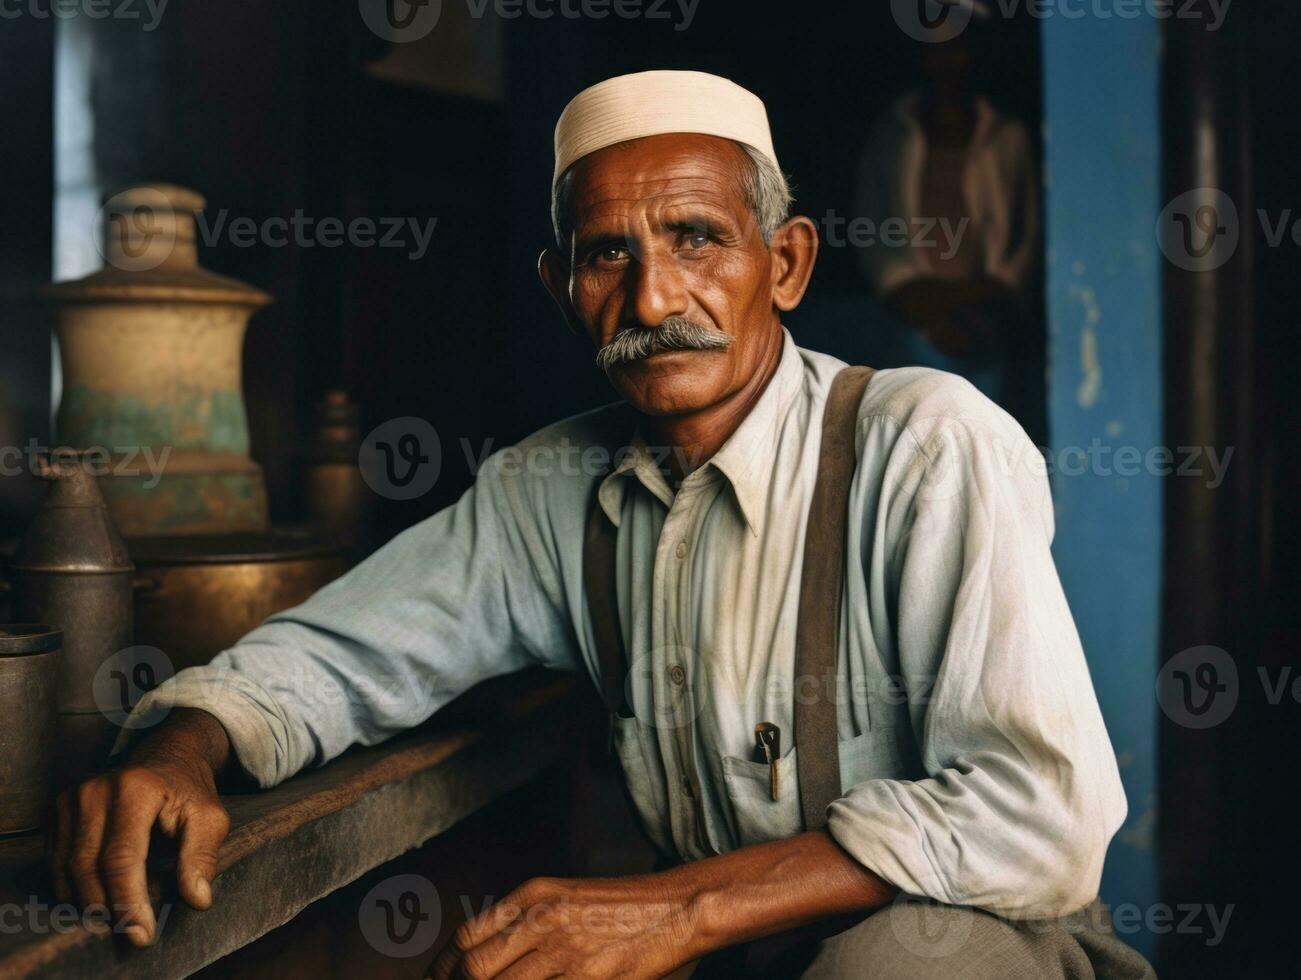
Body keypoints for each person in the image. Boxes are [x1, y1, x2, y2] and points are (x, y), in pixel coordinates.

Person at [51, 70, 1151, 978]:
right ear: (560, 285)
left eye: (695, 238)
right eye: (605, 254)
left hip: (987, 944)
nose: (653, 299)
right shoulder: (553, 487)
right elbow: (342, 652)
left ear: (790, 262)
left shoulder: (923, 445)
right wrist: (182, 745)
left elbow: (1039, 812)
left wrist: (668, 910)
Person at [855, 11, 1041, 426]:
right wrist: (924, 310)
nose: (946, 62)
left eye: (956, 48)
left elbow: (1026, 237)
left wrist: (988, 296)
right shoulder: (892, 134)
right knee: (919, 434)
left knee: (990, 437)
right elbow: (870, 228)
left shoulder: (1007, 137)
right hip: (916, 316)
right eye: (934, 50)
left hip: (986, 314)